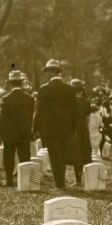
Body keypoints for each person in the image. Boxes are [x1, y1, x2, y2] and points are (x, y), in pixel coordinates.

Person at [32, 59, 77, 189]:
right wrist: (73, 128)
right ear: (59, 73)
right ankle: (61, 181)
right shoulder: (69, 89)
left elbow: (38, 110)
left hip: (49, 129)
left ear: (50, 73)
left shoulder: (44, 89)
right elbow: (74, 111)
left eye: (47, 72)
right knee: (62, 155)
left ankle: (60, 183)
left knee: (55, 155)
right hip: (66, 129)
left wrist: (34, 128)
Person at [0, 70, 34, 186]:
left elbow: (3, 119)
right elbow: (30, 117)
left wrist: (0, 134)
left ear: (10, 84)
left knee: (8, 158)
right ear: (21, 83)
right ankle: (27, 180)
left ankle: (9, 181)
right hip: (24, 132)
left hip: (9, 133)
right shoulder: (29, 99)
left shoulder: (6, 99)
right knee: (25, 156)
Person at [71, 79, 90, 182]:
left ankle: (77, 179)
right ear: (81, 90)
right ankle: (82, 177)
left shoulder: (70, 102)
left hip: (73, 128)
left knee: (75, 153)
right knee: (83, 151)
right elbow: (88, 119)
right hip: (83, 128)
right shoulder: (86, 102)